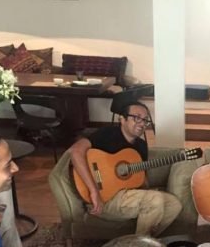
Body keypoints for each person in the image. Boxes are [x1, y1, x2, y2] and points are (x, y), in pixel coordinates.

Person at [69, 101, 182, 235]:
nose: (142, 123)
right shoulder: (107, 134)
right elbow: (75, 151)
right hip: (104, 198)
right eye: (137, 117)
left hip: (126, 196)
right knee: (155, 200)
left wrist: (148, 188)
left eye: (145, 120)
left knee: (174, 204)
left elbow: (140, 181)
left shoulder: (141, 146)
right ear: (122, 119)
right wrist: (94, 190)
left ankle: (143, 243)